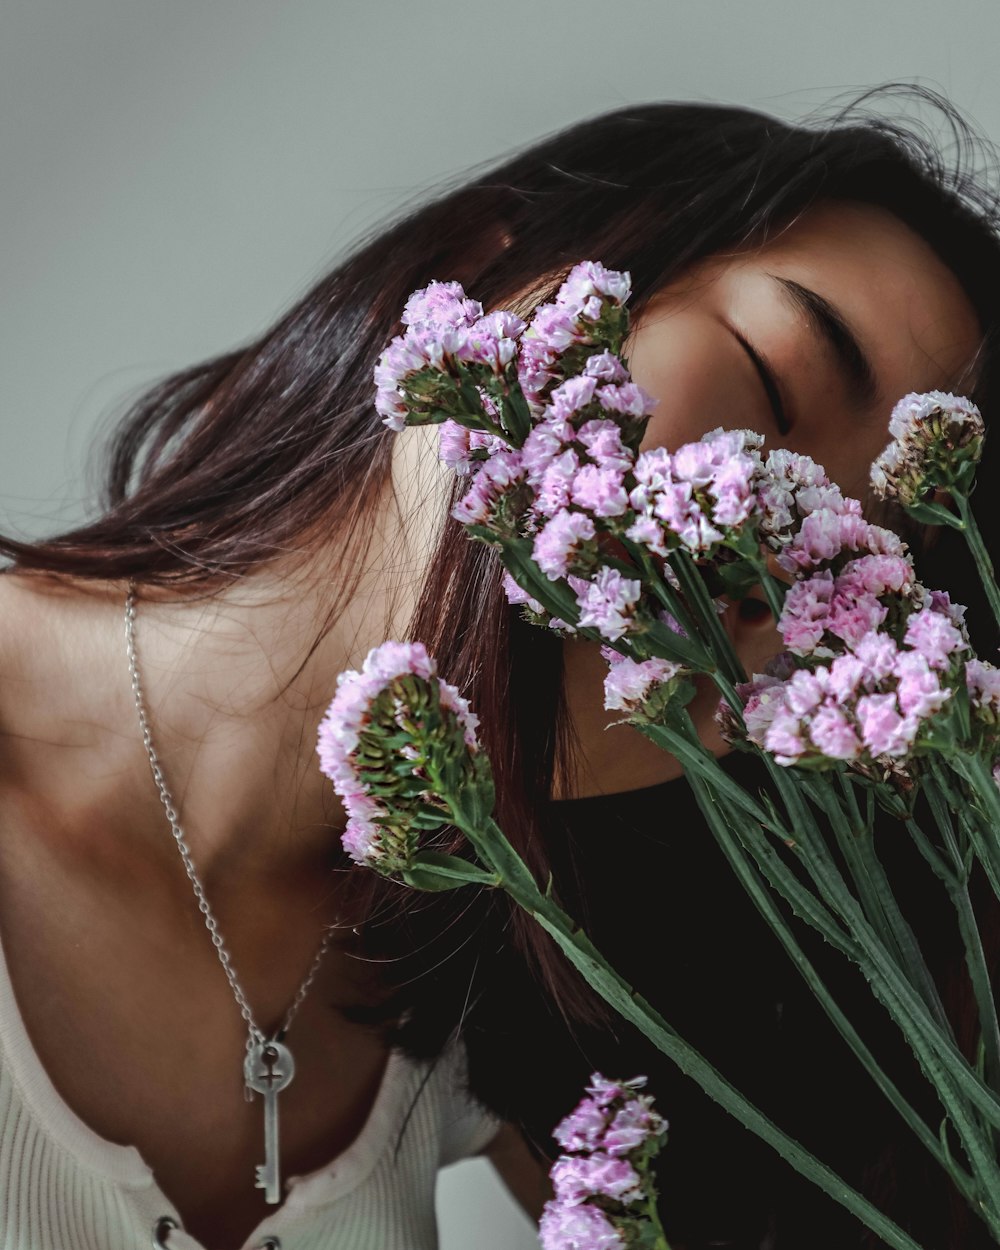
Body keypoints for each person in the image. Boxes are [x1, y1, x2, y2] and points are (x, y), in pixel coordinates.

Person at [0, 87, 997, 1250]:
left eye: (849, 579)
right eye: (772, 386)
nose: (756, 571)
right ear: (505, 264)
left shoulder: (493, 1025)